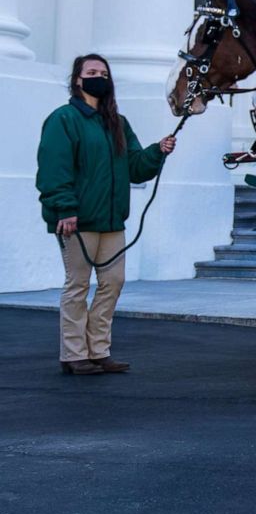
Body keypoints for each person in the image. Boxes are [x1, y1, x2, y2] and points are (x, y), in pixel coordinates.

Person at [36, 54, 176, 375]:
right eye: (92, 72)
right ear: (77, 80)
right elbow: (54, 169)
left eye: (103, 72)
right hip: (77, 221)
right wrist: (65, 209)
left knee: (113, 282)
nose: (99, 76)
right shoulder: (64, 119)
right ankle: (74, 354)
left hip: (112, 220)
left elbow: (137, 168)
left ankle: (98, 349)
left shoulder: (118, 123)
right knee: (78, 285)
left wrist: (157, 150)